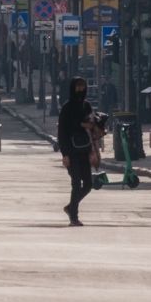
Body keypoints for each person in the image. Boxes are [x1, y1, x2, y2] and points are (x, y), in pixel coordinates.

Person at [57, 77, 96, 227]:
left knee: (88, 184)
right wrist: (65, 154)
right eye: (78, 86)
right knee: (76, 183)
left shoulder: (87, 106)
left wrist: (93, 151)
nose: (80, 89)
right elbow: (62, 132)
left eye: (83, 86)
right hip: (71, 151)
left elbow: (91, 128)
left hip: (85, 150)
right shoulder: (67, 108)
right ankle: (74, 217)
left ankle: (70, 207)